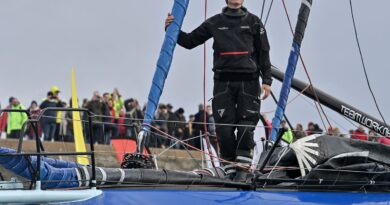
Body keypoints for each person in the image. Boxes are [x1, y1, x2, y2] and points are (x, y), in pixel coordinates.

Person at [165, 0, 272, 178]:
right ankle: (229, 167)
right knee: (223, 129)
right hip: (223, 82)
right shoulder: (215, 22)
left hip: (249, 82)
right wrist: (171, 29)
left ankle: (243, 169)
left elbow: (264, 52)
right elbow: (190, 41)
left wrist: (267, 80)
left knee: (246, 127)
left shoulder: (254, 22)